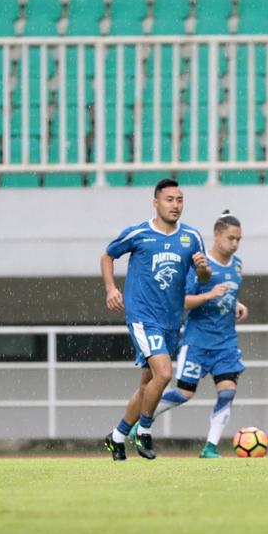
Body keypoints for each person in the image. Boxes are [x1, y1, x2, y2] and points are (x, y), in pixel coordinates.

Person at [102, 178, 212, 461]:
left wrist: (203, 270)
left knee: (146, 386)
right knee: (164, 374)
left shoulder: (192, 237)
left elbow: (203, 278)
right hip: (142, 316)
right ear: (156, 202)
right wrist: (111, 289)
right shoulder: (139, 233)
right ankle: (145, 430)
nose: (175, 205)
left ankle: (116, 437)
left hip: (171, 320)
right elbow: (107, 255)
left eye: (179, 200)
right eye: (169, 199)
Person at [132, 211, 249, 458]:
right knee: (184, 393)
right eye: (231, 238)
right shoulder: (199, 265)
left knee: (227, 392)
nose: (235, 244)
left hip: (226, 343)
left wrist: (237, 304)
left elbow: (227, 293)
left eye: (239, 239)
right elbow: (182, 300)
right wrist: (209, 295)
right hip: (197, 341)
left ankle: (210, 447)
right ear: (216, 235)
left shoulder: (238, 265)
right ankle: (142, 423)